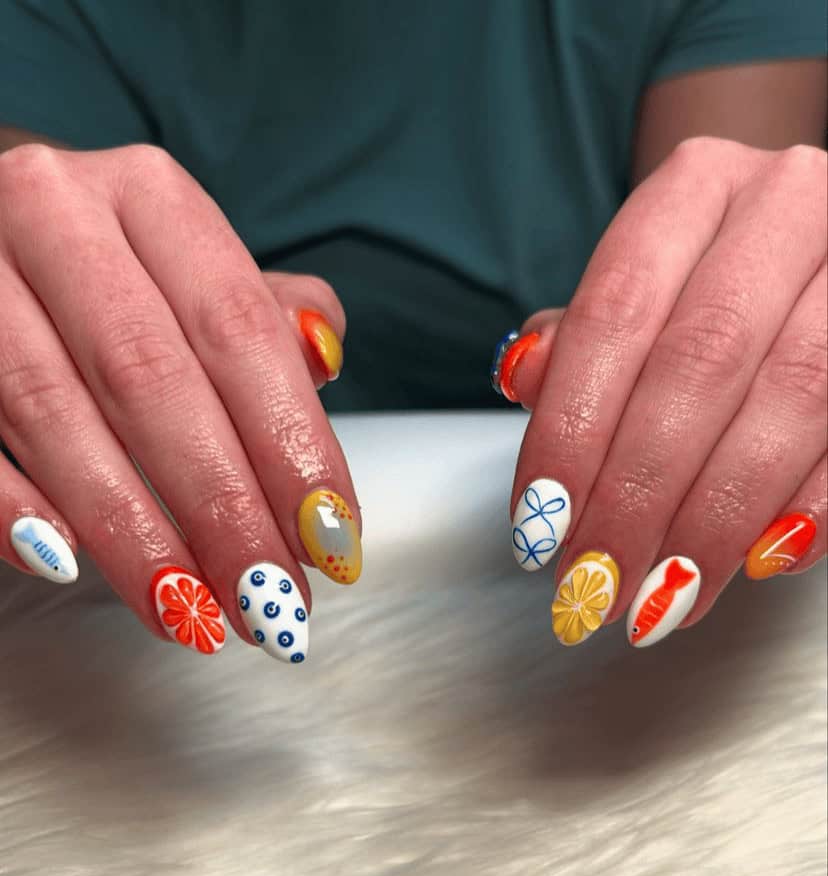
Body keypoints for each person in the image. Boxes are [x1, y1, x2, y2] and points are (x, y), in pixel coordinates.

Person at [0, 0, 824, 660]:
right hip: (156, 682)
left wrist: (774, 290)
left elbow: (722, 265)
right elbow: (56, 296)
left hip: (592, 688)